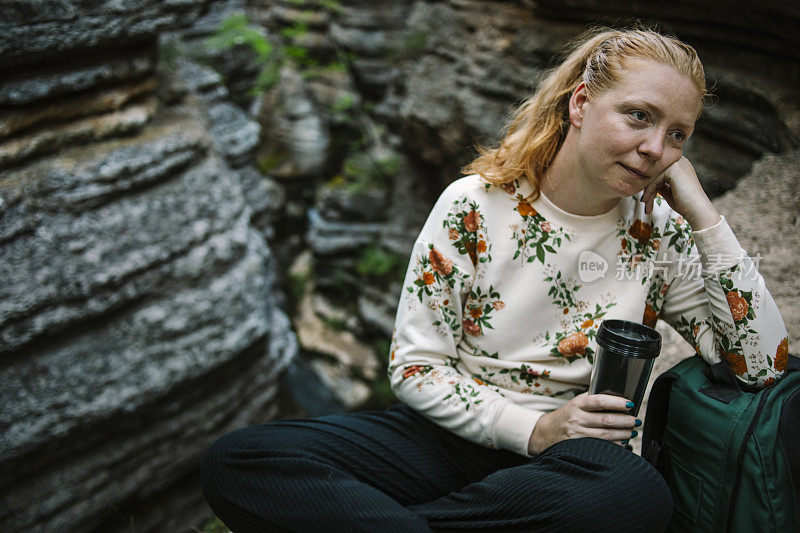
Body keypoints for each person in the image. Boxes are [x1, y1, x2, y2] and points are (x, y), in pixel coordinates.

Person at [200, 27, 789, 532]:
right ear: (581, 103)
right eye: (639, 116)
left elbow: (763, 364)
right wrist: (535, 429)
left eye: (678, 134)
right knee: (241, 458)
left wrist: (704, 215)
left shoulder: (659, 232)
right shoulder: (473, 206)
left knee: (636, 495)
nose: (655, 148)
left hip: (566, 470)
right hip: (443, 439)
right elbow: (414, 367)